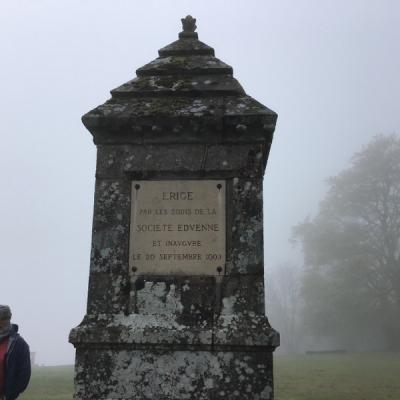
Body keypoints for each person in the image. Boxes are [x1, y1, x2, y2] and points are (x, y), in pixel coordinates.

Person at [0, 305, 31, 400]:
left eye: (5, 318)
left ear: (9, 318)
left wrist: (11, 394)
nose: (3, 322)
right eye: (1, 319)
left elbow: (24, 373)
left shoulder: (19, 344)